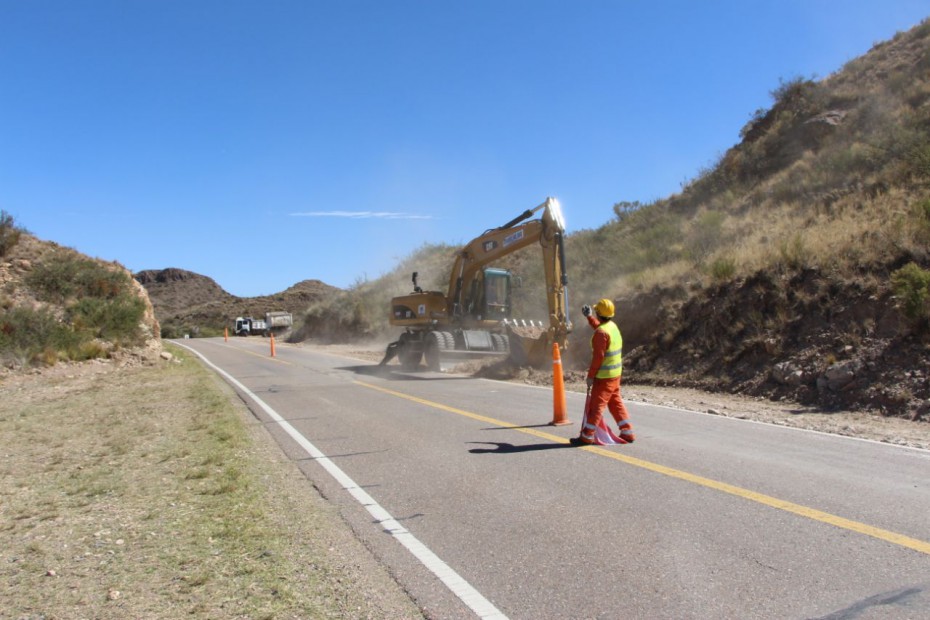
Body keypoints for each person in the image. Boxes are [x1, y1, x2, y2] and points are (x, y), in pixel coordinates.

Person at [570, 298, 636, 446]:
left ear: (599, 314)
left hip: (604, 377)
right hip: (615, 374)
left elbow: (598, 358)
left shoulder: (601, 333)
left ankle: (587, 436)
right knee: (615, 403)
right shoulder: (612, 326)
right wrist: (589, 317)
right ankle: (627, 432)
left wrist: (590, 376)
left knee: (596, 406)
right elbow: (600, 329)